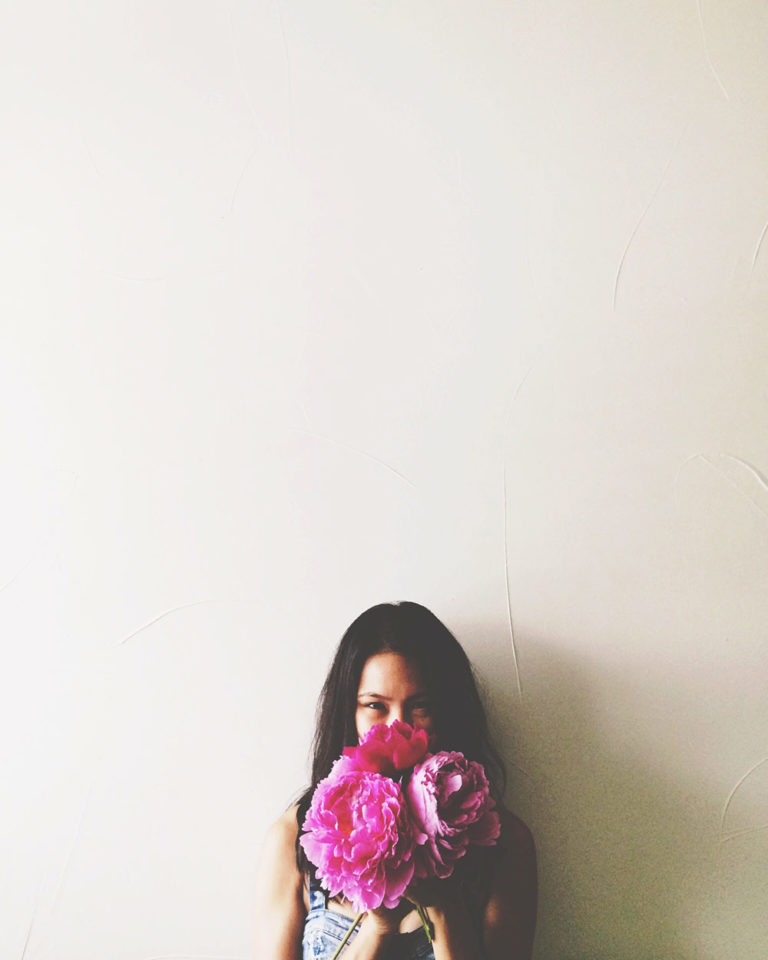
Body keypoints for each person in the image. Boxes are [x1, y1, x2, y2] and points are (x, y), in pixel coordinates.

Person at [254, 601, 537, 959]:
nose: (398, 726)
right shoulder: (298, 837)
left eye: (422, 706)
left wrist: (443, 903)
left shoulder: (505, 843)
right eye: (375, 706)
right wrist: (379, 926)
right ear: (348, 711)